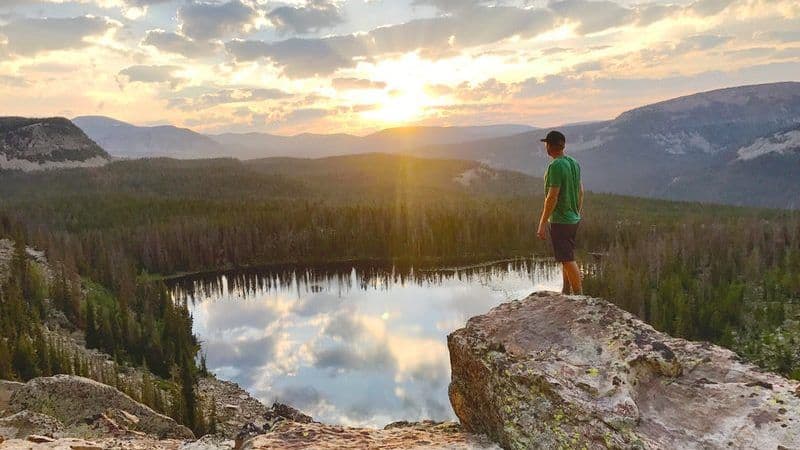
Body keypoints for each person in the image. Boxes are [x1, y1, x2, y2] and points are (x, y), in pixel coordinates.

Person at [536, 130, 584, 295]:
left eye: (546, 144)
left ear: (550, 146)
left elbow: (552, 197)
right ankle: (566, 290)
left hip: (561, 220)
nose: (546, 147)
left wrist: (542, 223)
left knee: (567, 259)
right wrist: (576, 211)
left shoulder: (556, 165)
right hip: (572, 218)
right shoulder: (573, 163)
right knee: (565, 256)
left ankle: (579, 297)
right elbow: (580, 191)